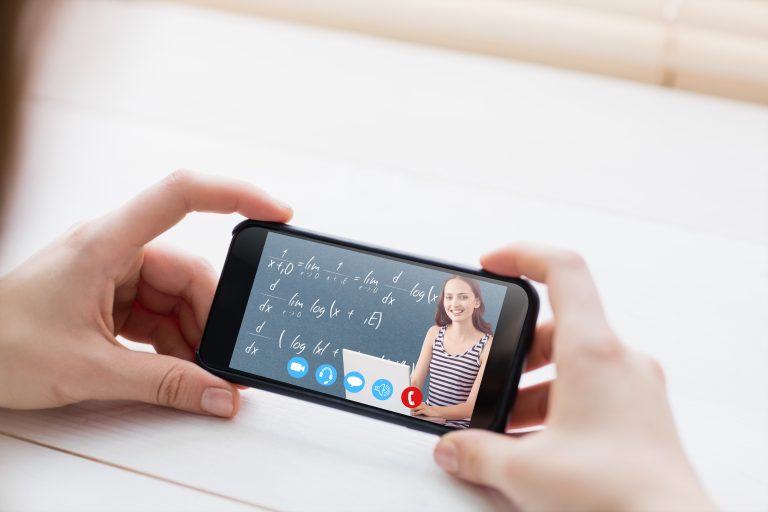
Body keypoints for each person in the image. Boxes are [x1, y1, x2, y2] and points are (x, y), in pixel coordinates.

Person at [0, 2, 715, 509]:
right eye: (457, 296)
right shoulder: (438, 334)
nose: (463, 300)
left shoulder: (486, 337)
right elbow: (427, 381)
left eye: (469, 298)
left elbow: (452, 395)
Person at [410, 275, 493, 428]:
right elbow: (415, 382)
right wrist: (406, 403)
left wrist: (433, 411)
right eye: (449, 297)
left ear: (476, 301)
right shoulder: (434, 333)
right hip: (427, 418)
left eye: (463, 297)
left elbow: (471, 407)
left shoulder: (487, 345)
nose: (454, 304)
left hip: (459, 428)